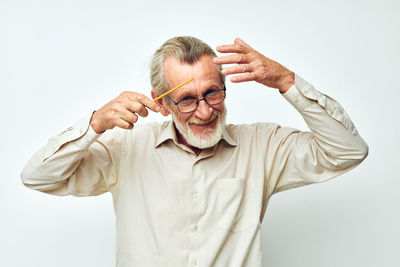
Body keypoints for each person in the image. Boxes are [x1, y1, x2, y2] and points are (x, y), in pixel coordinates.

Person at [21, 36, 368, 267]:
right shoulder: (126, 150)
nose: (204, 111)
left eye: (213, 93)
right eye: (187, 99)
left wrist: (287, 81)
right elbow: (37, 176)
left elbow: (348, 151)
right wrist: (95, 123)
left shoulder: (263, 147)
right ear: (162, 102)